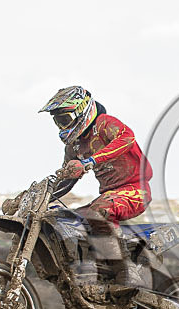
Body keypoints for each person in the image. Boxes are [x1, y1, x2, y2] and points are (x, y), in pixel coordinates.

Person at [39, 86, 153, 289]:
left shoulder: (104, 124)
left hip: (135, 190)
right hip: (109, 194)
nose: (61, 126)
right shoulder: (74, 146)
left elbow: (126, 138)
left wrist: (89, 161)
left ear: (80, 111)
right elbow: (66, 179)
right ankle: (91, 268)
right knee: (66, 218)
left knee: (98, 212)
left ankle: (127, 271)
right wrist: (39, 198)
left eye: (64, 120)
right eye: (57, 122)